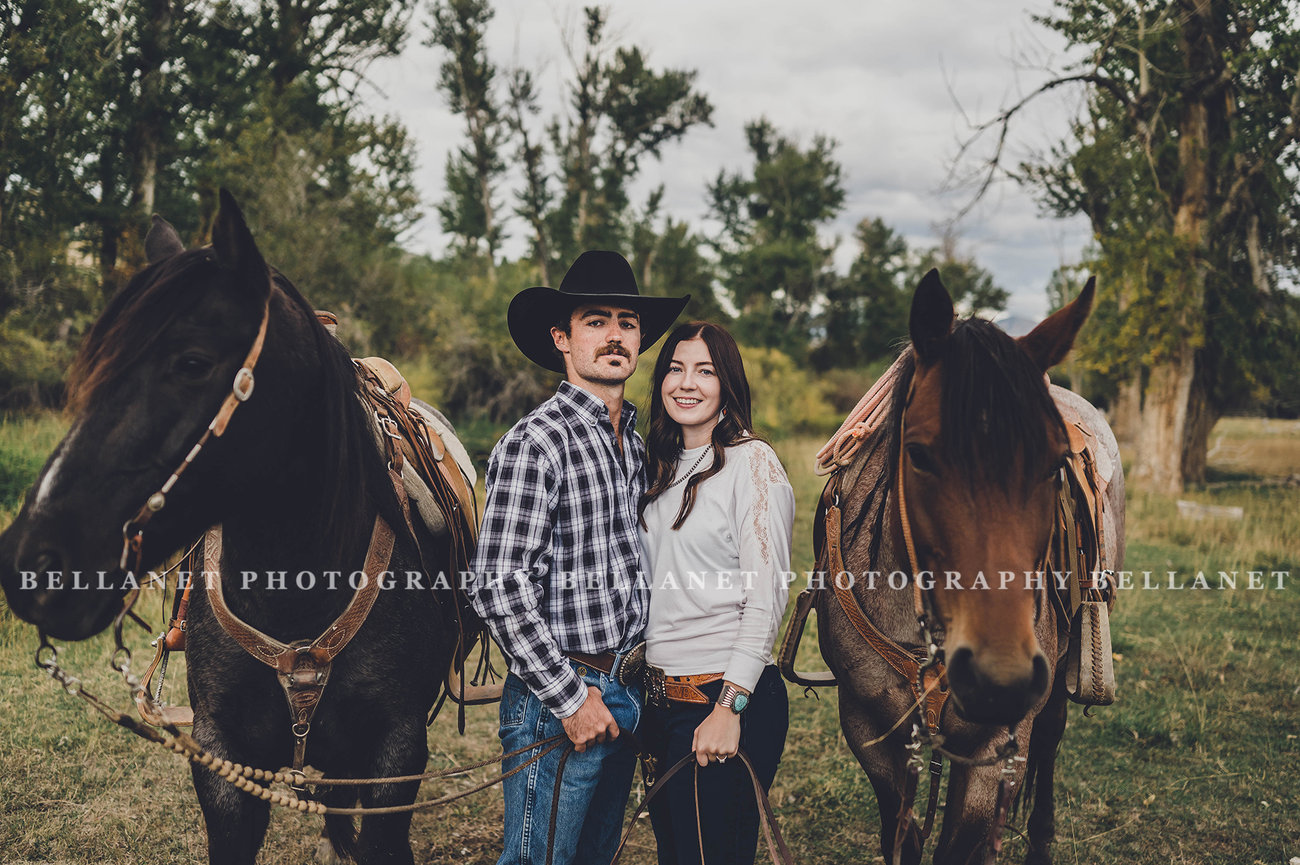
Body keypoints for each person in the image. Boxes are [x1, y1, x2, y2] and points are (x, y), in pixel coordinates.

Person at [468, 250, 688, 865]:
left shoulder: (636, 446)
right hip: (561, 698)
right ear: (562, 339)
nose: (614, 335)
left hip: (625, 687)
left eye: (626, 321)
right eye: (596, 320)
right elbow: (497, 584)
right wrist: (570, 699)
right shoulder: (538, 442)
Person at [638, 322, 795, 865]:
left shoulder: (751, 464)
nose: (687, 383)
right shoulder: (658, 466)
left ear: (727, 384)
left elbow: (766, 597)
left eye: (705, 371)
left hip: (719, 698)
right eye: (675, 369)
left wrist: (730, 708)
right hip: (659, 702)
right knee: (676, 854)